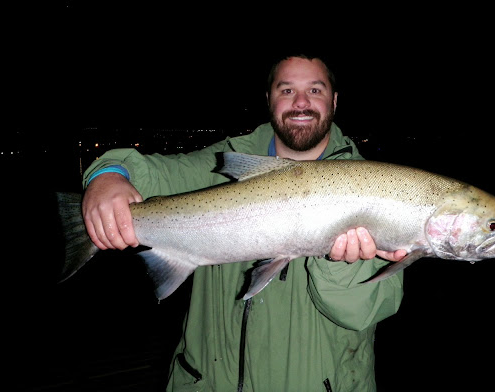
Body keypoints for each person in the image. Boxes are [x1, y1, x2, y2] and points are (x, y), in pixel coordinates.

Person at [82, 55, 407, 391]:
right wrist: (109, 175)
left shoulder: (373, 190)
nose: (300, 102)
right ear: (269, 100)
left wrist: (341, 264)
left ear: (334, 101)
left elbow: (363, 313)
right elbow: (155, 172)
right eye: (286, 90)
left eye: (314, 90)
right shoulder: (224, 160)